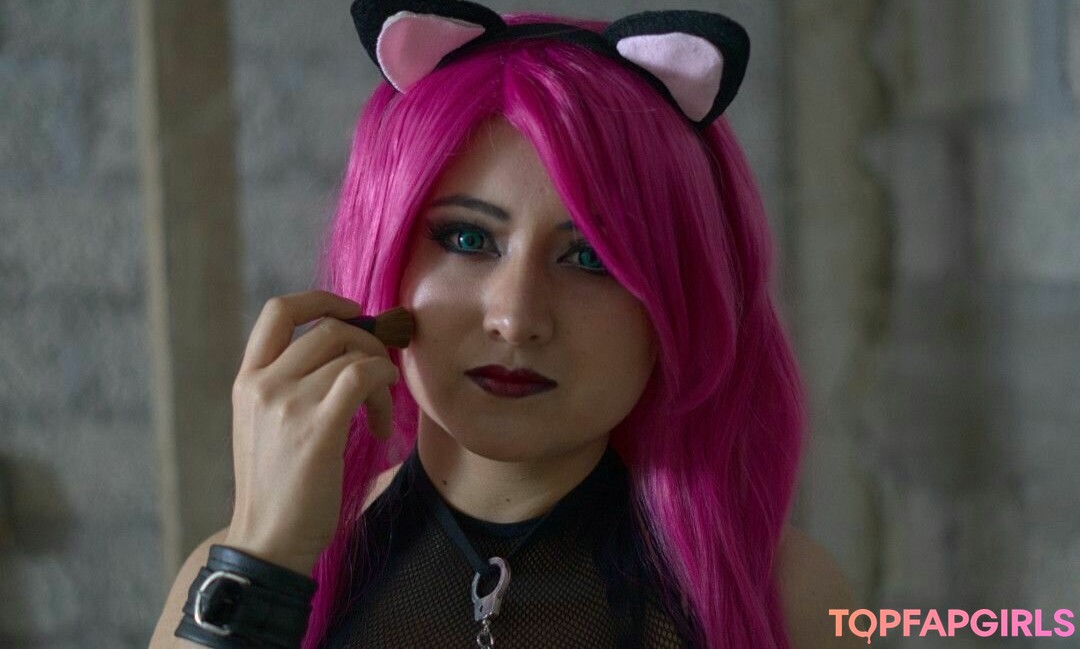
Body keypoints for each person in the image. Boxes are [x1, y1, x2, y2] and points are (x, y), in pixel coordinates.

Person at [150, 2, 859, 648]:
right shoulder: (236, 577)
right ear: (385, 261)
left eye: (591, 257)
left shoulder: (786, 599)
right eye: (466, 239)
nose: (516, 319)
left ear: (675, 304)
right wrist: (262, 563)